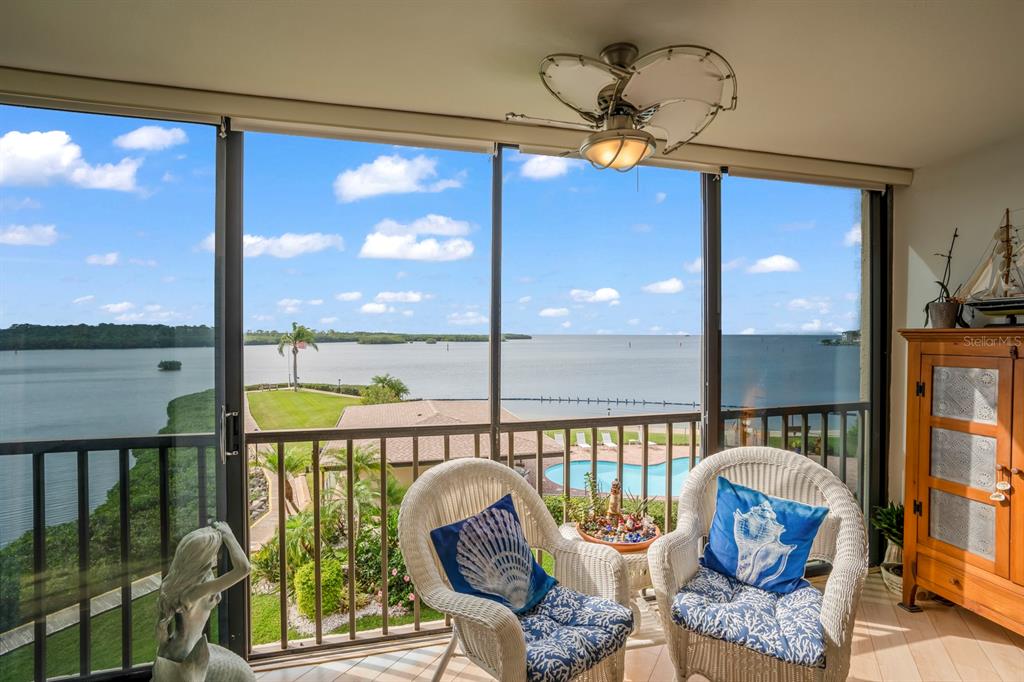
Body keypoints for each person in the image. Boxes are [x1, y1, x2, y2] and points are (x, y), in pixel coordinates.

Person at [153, 521, 253, 682]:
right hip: (186, 656)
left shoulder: (186, 586)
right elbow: (244, 569)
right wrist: (228, 534)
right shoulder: (194, 591)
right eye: (213, 551)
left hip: (178, 647)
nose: (216, 555)